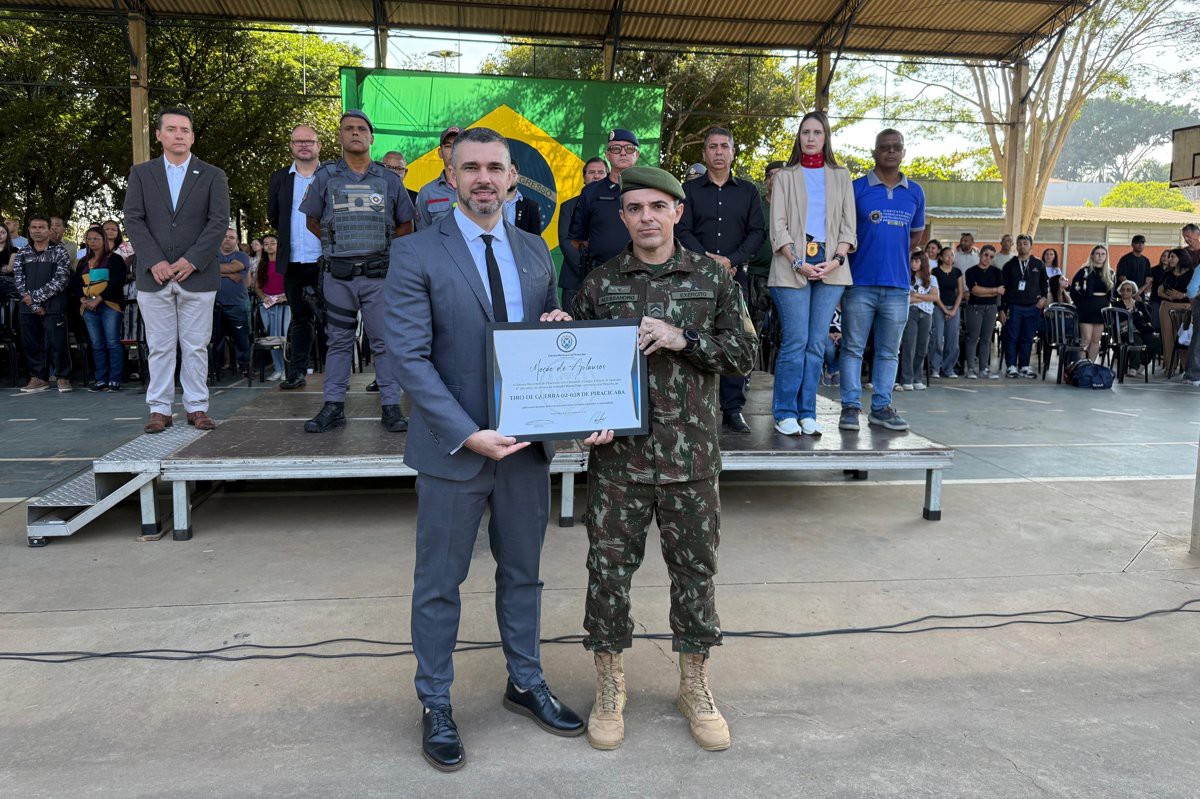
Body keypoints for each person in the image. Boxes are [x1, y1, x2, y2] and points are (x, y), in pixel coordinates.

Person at [386, 127, 583, 772]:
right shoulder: (416, 252)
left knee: (523, 574)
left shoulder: (534, 250)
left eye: (496, 168)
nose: (484, 179)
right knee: (440, 582)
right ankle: (436, 701)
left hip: (525, 448)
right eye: (471, 167)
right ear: (450, 176)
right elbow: (408, 358)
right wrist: (467, 432)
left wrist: (560, 334)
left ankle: (524, 681)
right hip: (456, 449)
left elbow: (550, 339)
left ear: (512, 178)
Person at [570, 165, 757, 753]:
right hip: (619, 464)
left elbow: (745, 352)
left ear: (678, 211)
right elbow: (573, 370)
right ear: (621, 216)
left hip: (691, 460)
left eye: (657, 206)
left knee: (695, 576)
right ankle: (609, 686)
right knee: (607, 577)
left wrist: (686, 339)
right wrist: (581, 417)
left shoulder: (712, 277)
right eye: (634, 208)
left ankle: (694, 685)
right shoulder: (600, 284)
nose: (646, 217)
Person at [300, 110, 414, 434]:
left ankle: (391, 407)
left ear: (371, 137)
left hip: (380, 276)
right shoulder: (324, 177)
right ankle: (333, 407)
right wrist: (337, 245)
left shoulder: (389, 179)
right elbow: (312, 220)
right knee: (338, 342)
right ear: (339, 136)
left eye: (361, 129)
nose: (354, 133)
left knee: (384, 342)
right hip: (339, 276)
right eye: (348, 128)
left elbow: (407, 224)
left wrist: (382, 247)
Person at [123, 106, 230, 433]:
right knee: (159, 345)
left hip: (197, 275)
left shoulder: (213, 175)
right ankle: (160, 409)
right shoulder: (141, 173)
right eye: (171, 129)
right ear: (159, 135)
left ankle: (197, 407)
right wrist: (154, 260)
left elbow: (218, 223)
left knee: (196, 344)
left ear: (193, 136)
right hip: (153, 276)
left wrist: (192, 260)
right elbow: (133, 219)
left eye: (184, 129)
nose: (178, 135)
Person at [766, 112, 855, 436]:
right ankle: (785, 411)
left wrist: (835, 259)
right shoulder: (786, 176)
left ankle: (808, 411)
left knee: (817, 344)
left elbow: (849, 226)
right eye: (806, 132)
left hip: (831, 269)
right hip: (792, 269)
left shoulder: (841, 176)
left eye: (817, 132)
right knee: (796, 341)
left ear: (826, 136)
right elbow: (777, 226)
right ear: (799, 136)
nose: (811, 137)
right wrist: (796, 260)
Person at [678, 126, 765, 434]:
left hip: (734, 277)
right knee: (692, 338)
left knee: (735, 340)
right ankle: (690, 406)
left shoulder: (748, 191)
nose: (718, 151)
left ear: (732, 152)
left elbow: (757, 232)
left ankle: (732, 410)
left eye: (723, 146)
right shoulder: (688, 191)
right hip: (694, 278)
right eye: (712, 146)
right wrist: (709, 259)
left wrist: (731, 260)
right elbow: (682, 229)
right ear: (704, 153)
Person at [839, 129, 925, 433]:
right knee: (852, 348)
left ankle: (881, 407)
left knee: (889, 352)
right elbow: (843, 233)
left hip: (899, 286)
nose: (891, 151)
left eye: (896, 147)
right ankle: (850, 406)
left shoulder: (915, 192)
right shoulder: (857, 189)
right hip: (859, 283)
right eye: (885, 147)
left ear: (903, 152)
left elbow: (916, 235)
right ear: (874, 152)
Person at [267, 124, 325, 390]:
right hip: (293, 261)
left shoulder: (330, 175)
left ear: (318, 146)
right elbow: (274, 217)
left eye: (309, 141)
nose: (303, 145)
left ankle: (335, 376)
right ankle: (297, 373)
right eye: (298, 141)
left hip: (326, 261)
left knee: (332, 321)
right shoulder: (279, 178)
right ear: (291, 145)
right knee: (300, 319)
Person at [568, 129, 640, 275]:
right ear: (607, 155)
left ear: (636, 154)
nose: (623, 153)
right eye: (616, 148)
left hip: (641, 272)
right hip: (601, 274)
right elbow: (577, 239)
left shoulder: (649, 190)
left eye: (629, 148)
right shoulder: (591, 192)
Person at [13, 215, 72, 393]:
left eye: (41, 227)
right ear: (29, 231)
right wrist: (32, 305)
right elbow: (18, 280)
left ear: (49, 230)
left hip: (53, 306)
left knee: (58, 342)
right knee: (31, 344)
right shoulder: (22, 253)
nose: (37, 230)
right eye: (34, 227)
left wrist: (36, 298)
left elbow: (61, 279)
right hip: (27, 308)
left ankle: (62, 377)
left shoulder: (60, 252)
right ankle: (38, 378)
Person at [71, 224, 127, 391]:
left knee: (112, 342)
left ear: (104, 239)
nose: (92, 241)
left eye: (96, 238)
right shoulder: (83, 262)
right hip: (88, 308)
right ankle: (100, 379)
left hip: (110, 306)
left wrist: (99, 299)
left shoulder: (115, 259)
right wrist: (82, 299)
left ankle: (114, 379)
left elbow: (117, 282)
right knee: (96, 344)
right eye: (89, 239)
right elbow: (76, 283)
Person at [557, 157, 609, 313]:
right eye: (591, 172)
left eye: (601, 172)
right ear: (584, 178)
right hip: (574, 280)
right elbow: (565, 241)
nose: (596, 176)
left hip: (609, 280)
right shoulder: (568, 206)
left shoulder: (619, 205)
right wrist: (587, 269)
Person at [1000, 234, 1047, 378]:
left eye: (1025, 243)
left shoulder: (1038, 264)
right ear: (1016, 246)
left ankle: (1024, 366)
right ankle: (1012, 366)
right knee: (1012, 337)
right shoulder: (1009, 265)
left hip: (1033, 307)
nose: (1022, 246)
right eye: (1019, 244)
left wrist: (1043, 299)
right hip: (1014, 307)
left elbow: (1044, 284)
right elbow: (1003, 289)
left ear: (1031, 246)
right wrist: (1002, 309)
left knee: (1027, 337)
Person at [747, 160, 784, 335]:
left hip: (785, 275)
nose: (774, 180)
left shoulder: (794, 207)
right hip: (758, 274)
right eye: (770, 176)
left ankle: (775, 363)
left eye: (780, 175)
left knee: (781, 330)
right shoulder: (756, 205)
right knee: (755, 326)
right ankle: (754, 363)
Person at [213, 228, 252, 376]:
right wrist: (229, 274)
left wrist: (217, 271)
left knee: (241, 338)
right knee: (216, 339)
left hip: (237, 304)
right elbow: (207, 270)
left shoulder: (241, 255)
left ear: (236, 241)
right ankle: (217, 368)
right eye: (225, 236)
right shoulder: (212, 255)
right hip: (214, 305)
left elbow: (234, 267)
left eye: (231, 237)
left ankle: (245, 368)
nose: (227, 239)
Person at [963, 244, 1004, 379]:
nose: (987, 258)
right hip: (975, 307)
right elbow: (975, 291)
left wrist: (985, 292)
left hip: (991, 308)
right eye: (986, 255)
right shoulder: (971, 271)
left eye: (991, 256)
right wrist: (993, 290)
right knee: (973, 338)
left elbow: (1001, 291)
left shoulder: (997, 272)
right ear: (980, 254)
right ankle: (970, 369)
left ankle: (984, 369)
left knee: (986, 339)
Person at [1069, 245, 1114, 361]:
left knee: (1096, 340)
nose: (1100, 256)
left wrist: (1107, 305)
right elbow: (1073, 290)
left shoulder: (1110, 273)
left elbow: (1111, 294)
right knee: (1086, 339)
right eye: (1097, 253)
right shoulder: (1084, 271)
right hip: (1086, 309)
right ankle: (1082, 366)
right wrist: (1081, 304)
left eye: (1103, 254)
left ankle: (1091, 366)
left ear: (1106, 256)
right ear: (1092, 256)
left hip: (1101, 309)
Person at [898, 250, 935, 390]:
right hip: (911, 312)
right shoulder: (906, 277)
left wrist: (917, 296)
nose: (914, 264)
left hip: (927, 313)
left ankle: (917, 377)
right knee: (909, 345)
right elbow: (907, 298)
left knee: (922, 347)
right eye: (912, 261)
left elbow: (935, 297)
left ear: (923, 263)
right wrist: (924, 297)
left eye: (917, 261)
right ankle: (907, 378)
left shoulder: (932, 279)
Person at [254, 234, 289, 381]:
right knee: (272, 336)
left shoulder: (285, 263)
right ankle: (277, 368)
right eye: (266, 243)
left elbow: (292, 284)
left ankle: (287, 369)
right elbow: (257, 287)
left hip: (285, 302)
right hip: (269, 302)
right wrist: (264, 297)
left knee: (284, 335)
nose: (269, 246)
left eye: (273, 243)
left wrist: (286, 296)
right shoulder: (262, 265)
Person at [414, 126, 462, 230]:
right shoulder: (427, 192)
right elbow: (423, 234)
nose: (453, 150)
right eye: (448, 146)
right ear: (440, 153)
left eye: (458, 145)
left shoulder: (478, 188)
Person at [929, 245, 966, 379]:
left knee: (953, 339)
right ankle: (935, 368)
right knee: (937, 338)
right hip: (938, 306)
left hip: (954, 307)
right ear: (941, 257)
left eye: (952, 255)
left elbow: (960, 292)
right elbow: (934, 292)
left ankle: (948, 367)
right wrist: (944, 309)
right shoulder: (935, 272)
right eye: (947, 255)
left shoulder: (957, 272)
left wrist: (954, 309)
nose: (950, 258)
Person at [1112, 279, 1158, 376]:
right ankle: (1133, 367)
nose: (1125, 292)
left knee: (1155, 341)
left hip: (1141, 329)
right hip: (1124, 331)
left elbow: (1148, 318)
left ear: (1133, 292)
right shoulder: (1116, 304)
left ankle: (1143, 364)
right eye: (1123, 290)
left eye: (1128, 290)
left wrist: (1134, 316)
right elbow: (1121, 319)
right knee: (1136, 340)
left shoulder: (1139, 304)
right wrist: (1137, 315)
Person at [1157, 248, 1192, 370]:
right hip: (1167, 306)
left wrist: (1183, 295)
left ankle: (1186, 367)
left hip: (1186, 307)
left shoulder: (1191, 273)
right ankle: (1170, 366)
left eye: (1172, 257)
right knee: (1168, 337)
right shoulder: (1167, 273)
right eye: (1169, 257)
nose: (1169, 259)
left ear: (1181, 258)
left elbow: (1197, 291)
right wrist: (1169, 297)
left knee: (1184, 338)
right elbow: (1159, 290)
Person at [502, 159, 544, 235]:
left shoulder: (531, 206)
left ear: (518, 177)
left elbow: (534, 239)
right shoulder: (489, 202)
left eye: (513, 172)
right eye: (506, 172)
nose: (509, 176)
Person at [0, 223, 18, 301]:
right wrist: (4, 268)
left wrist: (6, 268)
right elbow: (6, 268)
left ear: (7, 235)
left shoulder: (14, 250)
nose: (0, 235)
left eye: (3, 232)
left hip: (8, 285)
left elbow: (10, 269)